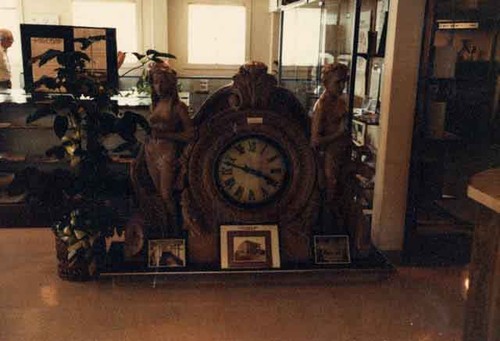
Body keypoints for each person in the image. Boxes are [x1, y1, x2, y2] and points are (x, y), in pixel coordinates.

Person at [134, 61, 195, 236]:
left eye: (162, 82)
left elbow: (190, 135)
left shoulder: (178, 107)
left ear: (170, 83)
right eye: (155, 82)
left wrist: (166, 135)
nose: (158, 86)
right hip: (152, 151)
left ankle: (175, 233)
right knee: (158, 195)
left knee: (167, 195)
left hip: (168, 153)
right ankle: (163, 231)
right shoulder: (156, 104)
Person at [310, 63, 351, 229]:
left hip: (342, 154)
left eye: (344, 82)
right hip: (328, 158)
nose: (342, 86)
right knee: (330, 195)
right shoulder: (322, 105)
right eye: (338, 82)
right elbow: (315, 141)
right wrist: (339, 134)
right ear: (327, 83)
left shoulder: (340, 102)